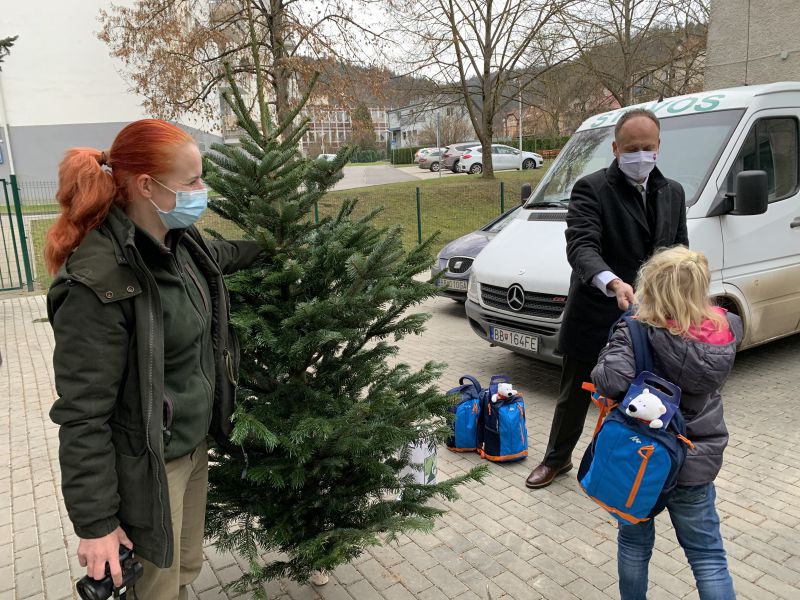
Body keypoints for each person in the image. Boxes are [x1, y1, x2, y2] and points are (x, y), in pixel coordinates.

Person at [46, 119, 260, 600]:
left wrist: (277, 246)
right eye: (192, 182)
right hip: (147, 470)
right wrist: (97, 523)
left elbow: (223, 254)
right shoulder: (99, 281)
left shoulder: (180, 244)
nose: (201, 191)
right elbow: (82, 415)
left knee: (181, 573)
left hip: (191, 449)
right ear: (147, 186)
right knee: (154, 589)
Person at [526, 108, 689, 489]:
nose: (640, 155)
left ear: (659, 147)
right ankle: (557, 460)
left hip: (650, 317)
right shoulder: (592, 188)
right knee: (575, 393)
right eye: (631, 148)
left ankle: (631, 463)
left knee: (644, 395)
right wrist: (613, 283)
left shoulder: (672, 192)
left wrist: (680, 297)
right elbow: (581, 245)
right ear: (616, 148)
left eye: (647, 147)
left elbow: (679, 249)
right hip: (596, 312)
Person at [591, 246, 741, 599]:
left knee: (633, 544)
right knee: (707, 556)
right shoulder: (726, 328)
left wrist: (610, 347)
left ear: (653, 286)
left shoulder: (636, 330)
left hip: (641, 457)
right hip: (695, 457)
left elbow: (609, 380)